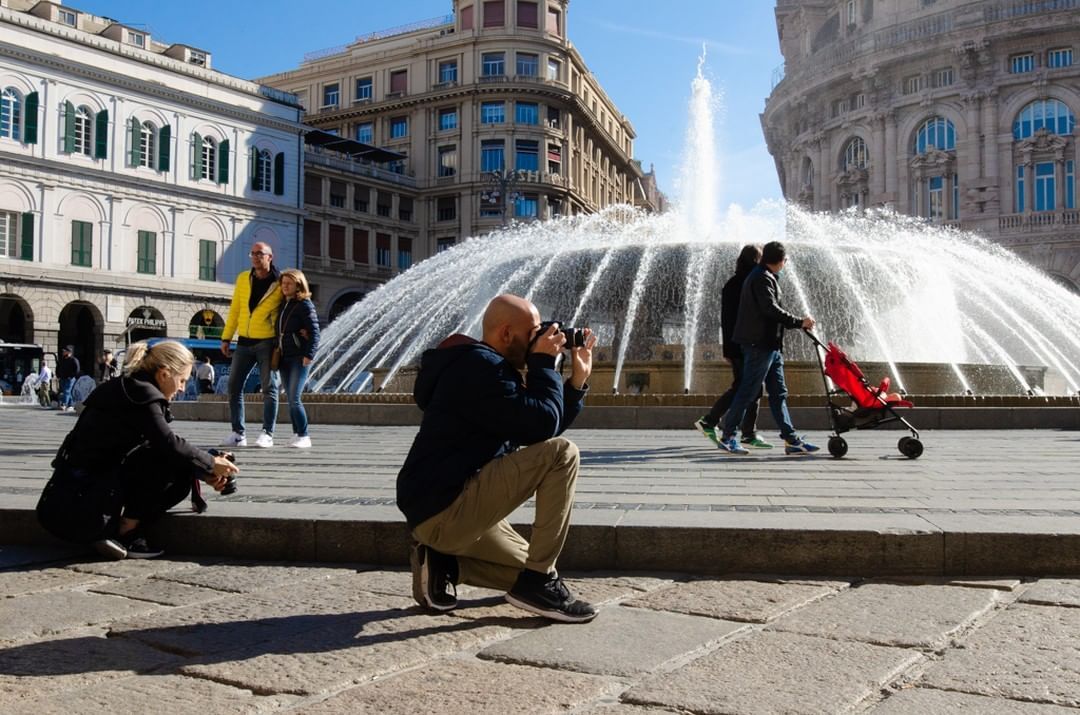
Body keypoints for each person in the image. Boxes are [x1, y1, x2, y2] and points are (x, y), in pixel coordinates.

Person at [397, 294, 599, 623]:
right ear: (506, 334)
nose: (540, 338)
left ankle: (445, 564)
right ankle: (538, 586)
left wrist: (576, 383)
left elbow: (536, 425)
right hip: (448, 509)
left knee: (533, 566)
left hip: (443, 510)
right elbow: (542, 427)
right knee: (563, 454)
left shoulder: (481, 365)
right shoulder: (478, 367)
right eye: (533, 331)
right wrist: (544, 364)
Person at [35, 340, 239, 560]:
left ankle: (119, 528)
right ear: (163, 374)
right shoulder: (142, 393)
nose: (182, 388)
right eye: (181, 380)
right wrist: (210, 463)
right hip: (86, 496)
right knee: (178, 475)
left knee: (180, 463)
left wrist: (205, 470)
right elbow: (167, 443)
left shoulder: (129, 386)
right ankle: (127, 531)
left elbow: (155, 446)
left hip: (79, 485)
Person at [717, 241, 820, 456]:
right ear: (781, 261)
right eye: (785, 260)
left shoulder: (764, 276)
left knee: (778, 393)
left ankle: (791, 440)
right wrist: (799, 321)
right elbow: (769, 309)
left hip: (770, 346)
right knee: (747, 391)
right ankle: (728, 436)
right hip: (758, 345)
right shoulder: (761, 278)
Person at [694, 244, 772, 450]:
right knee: (746, 387)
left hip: (738, 344)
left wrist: (726, 348)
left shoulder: (735, 283)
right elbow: (730, 320)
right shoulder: (747, 283)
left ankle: (747, 432)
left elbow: (725, 322)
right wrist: (729, 349)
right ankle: (712, 421)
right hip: (743, 345)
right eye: (760, 258)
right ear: (755, 260)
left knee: (752, 387)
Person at [220, 241, 283, 448]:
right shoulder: (243, 279)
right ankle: (238, 433)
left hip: (267, 342)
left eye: (260, 254)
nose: (255, 257)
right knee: (234, 386)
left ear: (269, 257)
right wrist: (226, 337)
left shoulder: (280, 282)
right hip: (244, 342)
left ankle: (267, 433)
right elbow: (236, 310)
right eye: (253, 254)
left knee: (269, 388)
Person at [277, 269, 320, 449]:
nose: (284, 286)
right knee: (289, 397)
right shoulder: (284, 304)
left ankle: (304, 435)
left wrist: (309, 355)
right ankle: (296, 434)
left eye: (289, 283)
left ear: (298, 285)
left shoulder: (305, 304)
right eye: (283, 283)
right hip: (284, 357)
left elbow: (315, 332)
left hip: (299, 358)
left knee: (295, 398)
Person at [56, 345, 80, 412]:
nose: (63, 352)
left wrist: (72, 376)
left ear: (69, 352)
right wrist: (58, 375)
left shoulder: (74, 360)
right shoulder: (62, 360)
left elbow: (77, 370)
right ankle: (71, 405)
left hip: (70, 378)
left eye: (64, 351)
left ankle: (64, 404)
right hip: (63, 378)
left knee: (66, 391)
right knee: (67, 392)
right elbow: (58, 367)